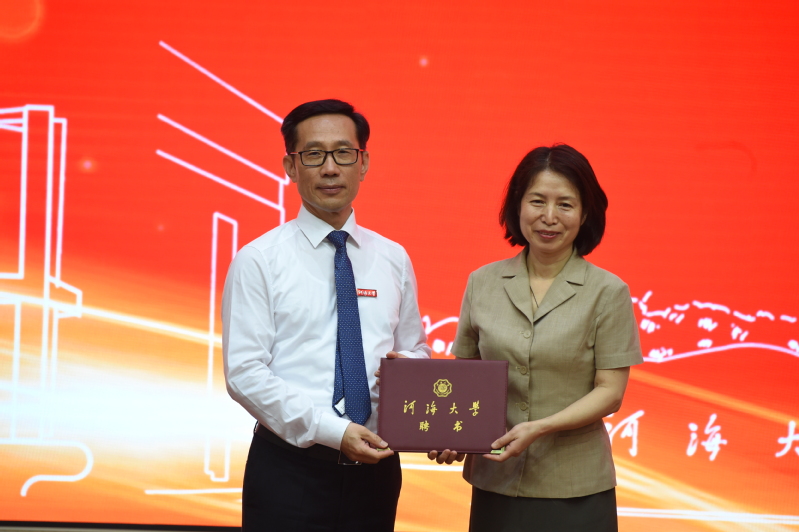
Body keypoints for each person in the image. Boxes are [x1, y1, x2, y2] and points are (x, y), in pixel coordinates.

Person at [222, 99, 431, 531]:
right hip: (289, 471)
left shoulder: (393, 257)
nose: (331, 168)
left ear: (363, 162)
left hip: (376, 471)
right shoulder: (259, 260)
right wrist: (332, 431)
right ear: (290, 166)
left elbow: (415, 349)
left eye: (343, 153)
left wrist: (407, 368)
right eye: (314, 154)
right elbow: (244, 373)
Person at [434, 144, 643, 531]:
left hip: (576, 487)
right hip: (496, 477)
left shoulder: (608, 291)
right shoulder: (482, 282)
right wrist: (452, 432)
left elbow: (610, 393)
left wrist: (539, 427)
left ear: (585, 214)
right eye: (537, 201)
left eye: (565, 204)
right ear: (517, 206)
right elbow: (466, 378)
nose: (549, 217)